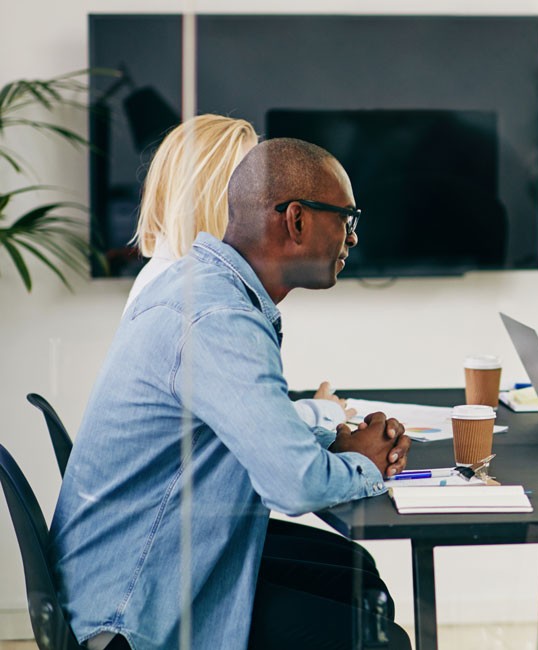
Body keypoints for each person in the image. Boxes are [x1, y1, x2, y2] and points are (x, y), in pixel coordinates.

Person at [51, 138, 412, 649]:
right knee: (381, 641)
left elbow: (247, 434)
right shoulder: (217, 319)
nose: (352, 238)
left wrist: (333, 446)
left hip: (141, 560)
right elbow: (295, 486)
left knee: (353, 571)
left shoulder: (204, 286)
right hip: (134, 608)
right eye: (347, 219)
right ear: (297, 220)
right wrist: (367, 464)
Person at [126, 114, 354, 430]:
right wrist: (322, 414)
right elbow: (261, 435)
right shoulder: (200, 300)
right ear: (226, 193)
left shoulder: (165, 275)